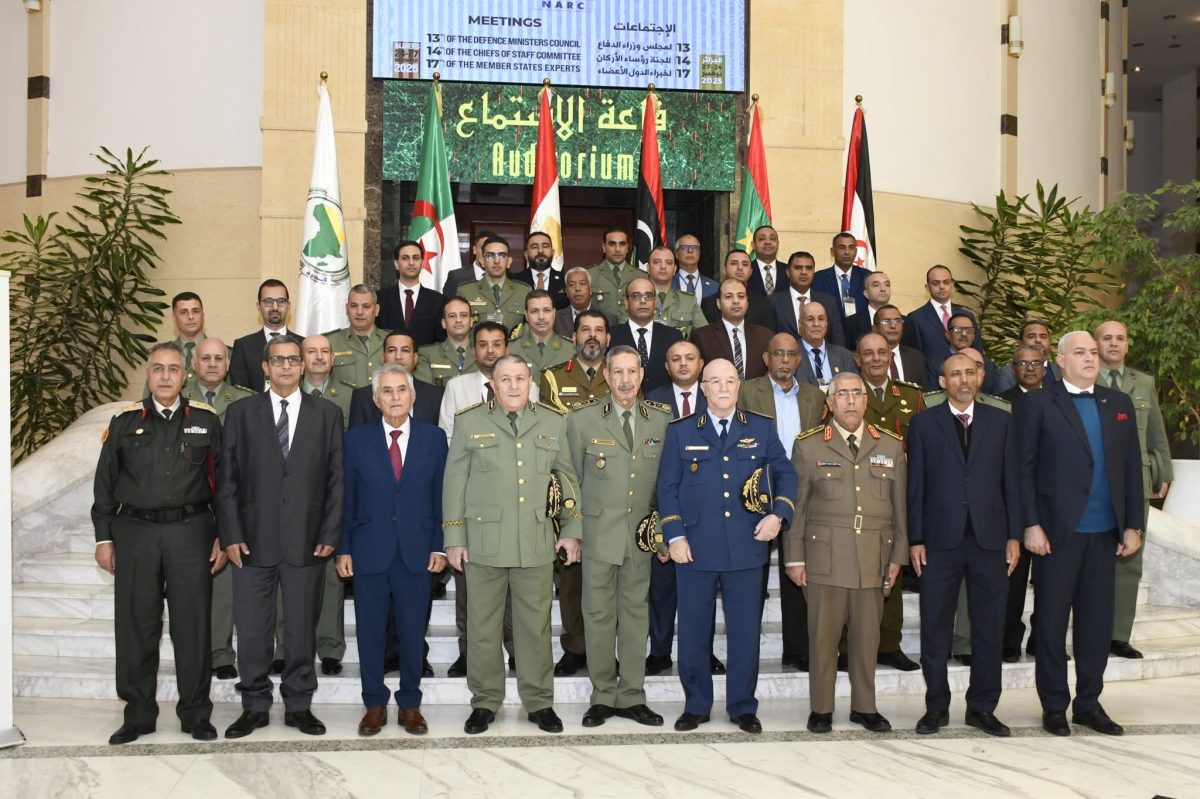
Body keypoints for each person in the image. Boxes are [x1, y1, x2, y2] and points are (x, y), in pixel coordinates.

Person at [92, 343, 225, 745]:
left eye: (173, 369)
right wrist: (104, 537)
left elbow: (224, 482)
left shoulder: (205, 420)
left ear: (185, 376)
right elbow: (105, 482)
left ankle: (196, 714)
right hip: (135, 533)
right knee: (136, 625)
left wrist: (223, 535)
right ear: (148, 375)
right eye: (158, 369)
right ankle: (138, 715)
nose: (165, 376)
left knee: (192, 625)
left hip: (191, 532)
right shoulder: (124, 421)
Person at [443, 355, 582, 735]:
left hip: (535, 542)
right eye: (505, 379)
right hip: (483, 544)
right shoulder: (470, 421)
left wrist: (571, 530)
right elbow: (454, 483)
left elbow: (567, 478)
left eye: (520, 378)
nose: (514, 385)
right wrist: (454, 537)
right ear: (493, 384)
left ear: (530, 380)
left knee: (534, 628)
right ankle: (485, 701)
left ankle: (539, 702)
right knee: (482, 628)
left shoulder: (553, 421)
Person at [657, 359, 797, 734]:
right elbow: (667, 489)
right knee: (692, 633)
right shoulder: (681, 431)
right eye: (715, 381)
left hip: (746, 547)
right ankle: (696, 705)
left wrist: (778, 515)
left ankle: (742, 706)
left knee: (745, 633)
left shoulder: (761, 428)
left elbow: (786, 474)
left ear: (739, 386)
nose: (722, 387)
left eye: (730, 381)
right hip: (694, 549)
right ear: (702, 388)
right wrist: (674, 536)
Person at [217, 337, 345, 739]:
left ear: (304, 366)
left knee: (301, 630)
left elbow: (336, 479)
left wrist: (330, 532)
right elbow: (227, 480)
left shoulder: (327, 414)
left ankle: (299, 705)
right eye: (278, 360)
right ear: (265, 367)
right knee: (253, 630)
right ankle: (254, 705)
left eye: (293, 360)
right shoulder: (240, 413)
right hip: (251, 542)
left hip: (307, 540)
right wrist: (230, 534)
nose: (286, 366)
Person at [1017, 331, 1143, 736]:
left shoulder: (1118, 403)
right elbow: (1023, 469)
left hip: (1105, 534)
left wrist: (1133, 523)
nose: (1090, 358)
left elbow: (1131, 468)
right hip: (1056, 535)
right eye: (1080, 352)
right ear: (1060, 359)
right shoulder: (1038, 403)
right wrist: (1030, 524)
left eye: (1093, 352)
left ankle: (1089, 703)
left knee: (1096, 625)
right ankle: (1054, 705)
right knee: (1051, 625)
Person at [907, 353, 1021, 737]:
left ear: (980, 377)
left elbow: (1012, 482)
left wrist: (1014, 535)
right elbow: (915, 486)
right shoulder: (923, 424)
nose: (963, 380)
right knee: (935, 628)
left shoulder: (1002, 422)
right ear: (943, 382)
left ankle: (982, 708)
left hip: (990, 539)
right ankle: (936, 707)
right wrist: (916, 538)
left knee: (989, 628)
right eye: (955, 374)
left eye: (970, 372)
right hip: (940, 541)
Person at [787, 372, 908, 734]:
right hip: (825, 558)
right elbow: (796, 508)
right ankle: (821, 707)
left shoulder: (890, 445)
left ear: (866, 400)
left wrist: (898, 556)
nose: (851, 400)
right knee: (823, 639)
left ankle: (864, 707)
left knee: (867, 638)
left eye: (857, 393)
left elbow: (900, 509)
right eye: (842, 394)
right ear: (830, 403)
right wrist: (794, 557)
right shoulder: (809, 446)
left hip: (873, 557)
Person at [562, 345, 672, 728]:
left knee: (636, 617)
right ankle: (603, 695)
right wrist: (572, 532)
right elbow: (569, 479)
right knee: (597, 617)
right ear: (606, 376)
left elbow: (667, 485)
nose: (625, 380)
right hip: (597, 536)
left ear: (642, 375)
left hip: (640, 538)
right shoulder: (582, 419)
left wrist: (661, 534)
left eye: (632, 372)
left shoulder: (661, 420)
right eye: (618, 372)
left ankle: (632, 695)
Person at [339, 363, 448, 736]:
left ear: (412, 395)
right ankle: (374, 704)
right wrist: (343, 548)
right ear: (376, 399)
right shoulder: (355, 440)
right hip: (368, 550)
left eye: (401, 389)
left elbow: (442, 495)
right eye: (387, 391)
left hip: (417, 551)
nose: (395, 397)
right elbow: (347, 498)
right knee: (370, 633)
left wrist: (440, 546)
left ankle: (410, 704)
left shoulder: (434, 438)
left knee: (412, 632)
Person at [437, 321, 530, 676]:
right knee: (469, 587)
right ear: (473, 349)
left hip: (517, 503)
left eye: (497, 343)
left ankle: (517, 650)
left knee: (514, 590)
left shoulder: (527, 386)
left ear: (507, 348)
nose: (490, 350)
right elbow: (449, 439)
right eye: (483, 344)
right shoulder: (457, 387)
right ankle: (469, 651)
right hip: (473, 502)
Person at [738, 333, 827, 672]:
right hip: (757, 488)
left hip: (803, 490)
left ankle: (797, 649)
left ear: (799, 360)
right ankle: (748, 651)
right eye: (778, 354)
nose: (785, 360)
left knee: (797, 567)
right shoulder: (747, 391)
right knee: (754, 574)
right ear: (766, 358)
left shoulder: (814, 395)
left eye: (791, 354)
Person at [643, 340, 726, 678]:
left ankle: (703, 652)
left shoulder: (717, 398)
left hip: (707, 510)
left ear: (701, 364)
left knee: (702, 591)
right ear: (666, 367)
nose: (682, 364)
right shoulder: (652, 401)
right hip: (665, 505)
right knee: (662, 588)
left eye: (689, 358)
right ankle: (659, 652)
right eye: (675, 359)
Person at [1096, 320, 1172, 660]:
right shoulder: (1084, 380)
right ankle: (1092, 631)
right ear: (1096, 344)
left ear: (1128, 345)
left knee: (1129, 562)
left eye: (1120, 338)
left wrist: (1163, 473)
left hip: (1135, 483)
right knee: (1094, 561)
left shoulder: (1143, 383)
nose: (1114, 343)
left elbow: (1156, 433)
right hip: (1096, 484)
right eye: (1107, 338)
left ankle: (1118, 636)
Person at [182, 337, 254, 681]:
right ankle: (195, 652)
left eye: (219, 359)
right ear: (194, 364)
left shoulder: (245, 401)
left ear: (228, 364)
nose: (212, 364)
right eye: (206, 358)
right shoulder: (178, 399)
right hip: (187, 502)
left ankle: (221, 653)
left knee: (224, 581)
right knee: (188, 584)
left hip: (233, 499)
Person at [854, 333, 923, 672]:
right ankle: (848, 645)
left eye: (882, 352)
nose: (876, 358)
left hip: (897, 495)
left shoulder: (911, 396)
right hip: (857, 496)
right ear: (857, 359)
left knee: (892, 568)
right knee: (852, 570)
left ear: (890, 357)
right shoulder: (846, 393)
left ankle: (889, 644)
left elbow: (922, 446)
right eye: (868, 353)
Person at [997, 344, 1044, 660]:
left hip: (1049, 503)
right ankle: (1009, 642)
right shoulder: (1001, 404)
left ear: (1044, 367)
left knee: (1049, 581)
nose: (1029, 368)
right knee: (1013, 581)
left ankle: (1042, 639)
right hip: (1013, 500)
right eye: (1023, 363)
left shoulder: (1058, 399)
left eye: (1035, 363)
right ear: (1014, 369)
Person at [351, 331, 444, 427]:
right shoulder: (362, 397)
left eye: (405, 350)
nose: (398, 357)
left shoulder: (436, 396)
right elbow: (356, 435)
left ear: (415, 358)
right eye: (392, 350)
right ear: (383, 357)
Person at [906, 265, 981, 382]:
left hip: (966, 381)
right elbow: (914, 358)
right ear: (927, 287)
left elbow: (977, 350)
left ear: (952, 284)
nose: (942, 287)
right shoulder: (916, 318)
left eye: (946, 282)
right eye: (936, 283)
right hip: (932, 382)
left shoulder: (967, 316)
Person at [690, 279, 774, 382]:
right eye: (729, 296)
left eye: (741, 296)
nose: (736, 301)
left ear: (747, 302)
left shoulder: (765, 336)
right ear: (718, 303)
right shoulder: (702, 337)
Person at [609, 277, 683, 393]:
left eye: (648, 296)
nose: (643, 301)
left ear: (655, 302)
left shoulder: (673, 336)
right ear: (626, 303)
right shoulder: (611, 335)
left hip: (663, 402)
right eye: (636, 296)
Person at [229, 279, 303, 392]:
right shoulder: (243, 346)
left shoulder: (303, 344)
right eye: (268, 301)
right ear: (259, 306)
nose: (275, 307)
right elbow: (239, 392)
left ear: (288, 305)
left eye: (281, 301)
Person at [540, 309, 611, 413]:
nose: (592, 335)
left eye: (599, 330)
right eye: (585, 329)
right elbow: (548, 420)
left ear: (608, 339)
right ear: (574, 338)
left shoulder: (622, 374)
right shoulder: (553, 378)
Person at [770, 251, 845, 349]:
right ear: (788, 272)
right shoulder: (773, 301)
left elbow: (837, 340)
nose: (804, 272)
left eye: (809, 268)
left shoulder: (828, 302)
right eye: (798, 268)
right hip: (786, 356)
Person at [377, 240, 446, 345]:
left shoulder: (438, 300)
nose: (411, 263)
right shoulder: (380, 298)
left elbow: (441, 340)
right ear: (396, 264)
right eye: (405, 258)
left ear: (422, 263)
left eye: (416, 258)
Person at [458, 235, 530, 331]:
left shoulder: (524, 291)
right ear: (482, 261)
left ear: (509, 262)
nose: (496, 261)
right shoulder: (465, 292)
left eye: (502, 255)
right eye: (490, 256)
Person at [812, 232, 871, 343]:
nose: (847, 252)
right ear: (832, 251)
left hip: (862, 338)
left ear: (856, 252)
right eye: (842, 247)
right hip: (830, 339)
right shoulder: (818, 279)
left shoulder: (867, 276)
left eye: (851, 247)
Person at [326, 285, 388, 391]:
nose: (359, 312)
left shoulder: (390, 341)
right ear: (347, 309)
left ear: (376, 310)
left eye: (366, 306)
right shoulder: (330, 342)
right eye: (354, 306)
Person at [701, 249, 776, 329]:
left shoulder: (762, 303)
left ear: (750, 272)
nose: (740, 268)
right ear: (724, 270)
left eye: (745, 264)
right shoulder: (708, 303)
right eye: (734, 263)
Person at [508, 289, 573, 377]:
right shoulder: (511, 349)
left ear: (554, 313)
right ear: (526, 315)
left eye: (546, 310)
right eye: (534, 311)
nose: (541, 317)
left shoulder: (571, 349)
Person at [645, 245, 706, 337]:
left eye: (669, 263)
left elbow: (705, 336)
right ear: (648, 268)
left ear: (674, 269)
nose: (663, 267)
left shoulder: (689, 301)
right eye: (657, 262)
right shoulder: (636, 299)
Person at [794, 302, 857, 391]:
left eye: (821, 319)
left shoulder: (845, 356)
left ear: (826, 323)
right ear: (800, 324)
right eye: (810, 319)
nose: (816, 324)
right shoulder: (791, 355)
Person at [416, 296, 477, 387]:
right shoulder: (427, 355)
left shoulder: (482, 353)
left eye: (463, 315)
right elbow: (424, 392)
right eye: (452, 316)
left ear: (471, 321)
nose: (458, 320)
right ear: (444, 323)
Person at [587, 227, 637, 321]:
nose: (617, 249)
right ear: (604, 247)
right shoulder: (589, 275)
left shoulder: (641, 276)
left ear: (627, 248)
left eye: (622, 244)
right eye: (612, 244)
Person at [873, 304, 927, 388]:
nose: (893, 326)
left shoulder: (916, 357)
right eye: (886, 321)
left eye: (898, 321)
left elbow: (923, 391)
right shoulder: (867, 358)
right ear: (874, 328)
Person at [554, 267, 617, 338]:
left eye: (582, 284)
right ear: (566, 292)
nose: (577, 288)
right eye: (572, 285)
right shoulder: (555, 318)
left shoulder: (609, 319)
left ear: (590, 290)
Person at [512, 231, 567, 308]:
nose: (540, 251)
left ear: (553, 252)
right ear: (526, 254)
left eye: (545, 246)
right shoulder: (514, 281)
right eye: (534, 247)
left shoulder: (565, 280)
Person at [441, 229, 494, 299]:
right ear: (475, 250)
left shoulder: (505, 277)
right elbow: (448, 304)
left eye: (491, 250)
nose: (486, 253)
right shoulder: (456, 277)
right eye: (483, 248)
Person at [673, 234, 718, 304]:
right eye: (684, 247)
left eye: (695, 248)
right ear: (677, 254)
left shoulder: (715, 287)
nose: (690, 251)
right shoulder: (668, 284)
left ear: (699, 253)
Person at [746, 225, 788, 296]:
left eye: (772, 239)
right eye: (762, 239)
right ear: (753, 245)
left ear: (778, 244)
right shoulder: (746, 270)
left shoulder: (789, 270)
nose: (768, 242)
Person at [1020, 320, 1061, 384]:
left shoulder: (1063, 372)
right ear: (1021, 343)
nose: (1038, 340)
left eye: (1043, 337)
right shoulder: (1008, 373)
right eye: (1031, 336)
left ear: (1049, 342)